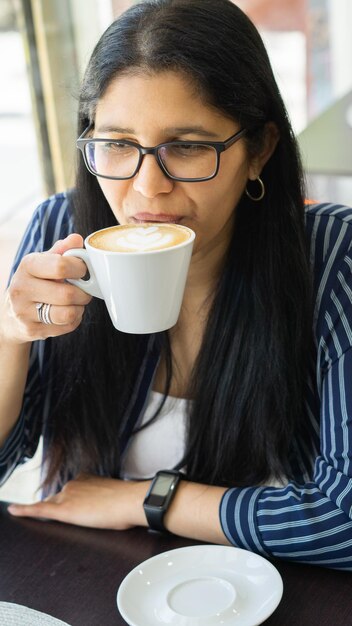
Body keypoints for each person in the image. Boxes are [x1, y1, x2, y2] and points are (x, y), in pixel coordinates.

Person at [1, 0, 352, 570]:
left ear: (258, 150)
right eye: (117, 144)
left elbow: (347, 521)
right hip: (93, 580)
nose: (146, 189)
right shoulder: (59, 234)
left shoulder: (333, 256)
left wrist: (145, 500)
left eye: (187, 147)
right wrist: (8, 338)